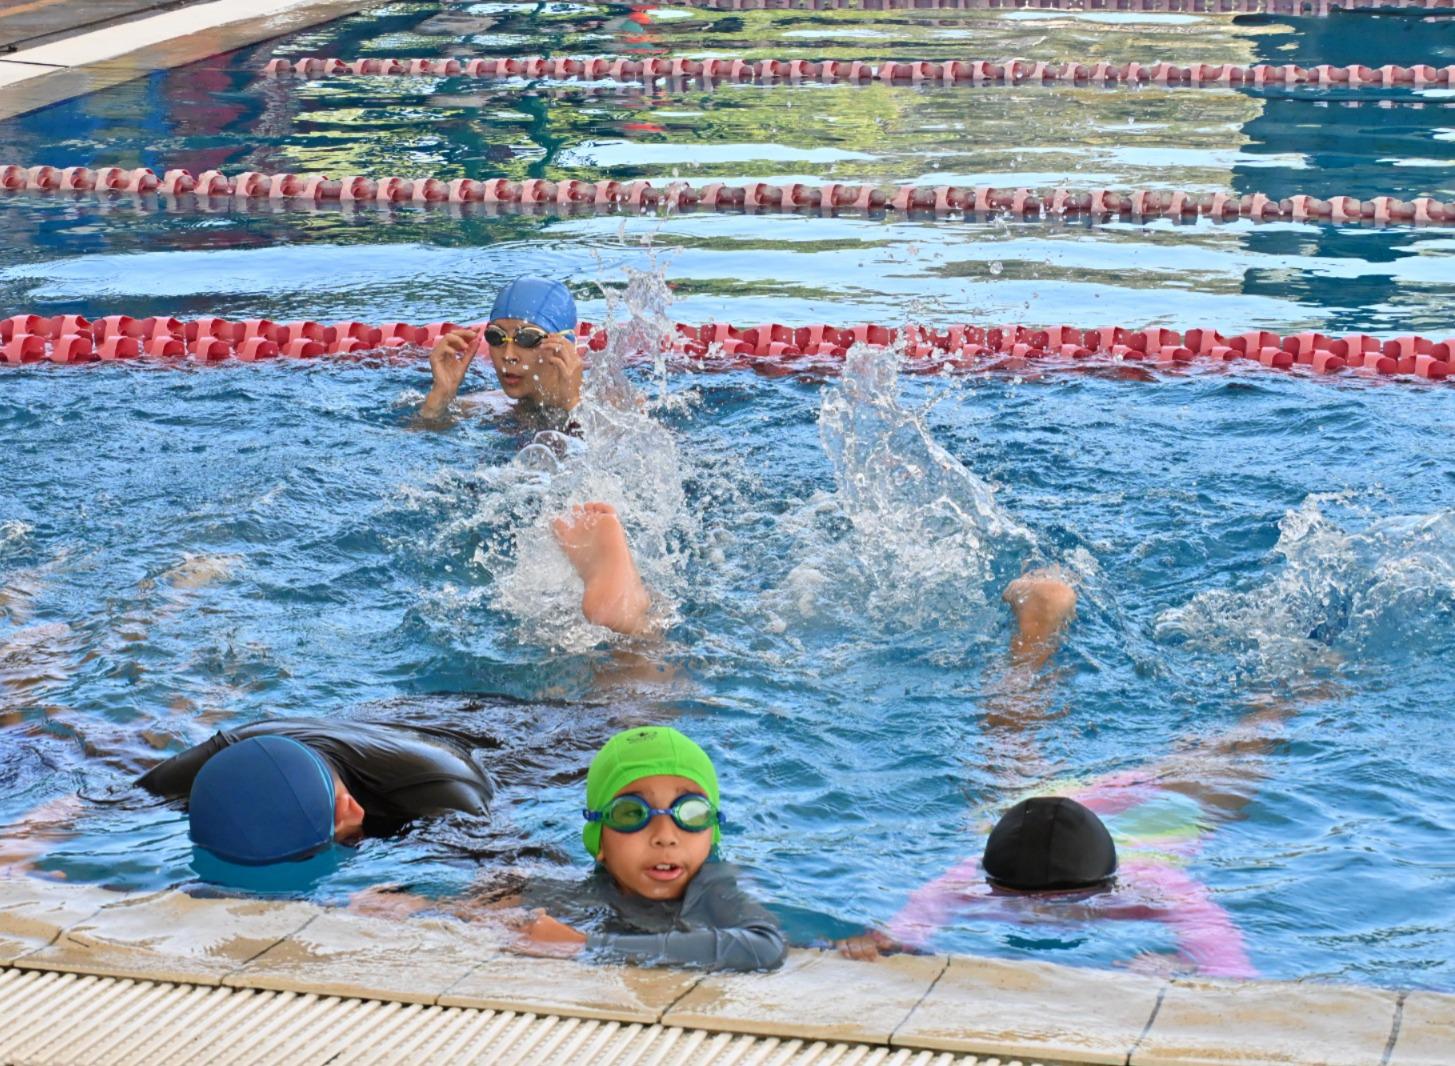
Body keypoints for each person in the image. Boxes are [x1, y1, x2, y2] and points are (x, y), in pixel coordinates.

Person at [507, 724, 787, 971]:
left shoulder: (713, 888)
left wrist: (583, 945)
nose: (665, 836)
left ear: (712, 831)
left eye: (690, 813)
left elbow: (764, 946)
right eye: (631, 813)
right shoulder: (582, 892)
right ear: (598, 839)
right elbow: (488, 906)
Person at [136, 718, 493, 867]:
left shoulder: (449, 798)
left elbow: (505, 890)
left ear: (350, 810)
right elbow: (113, 801)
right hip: (367, 729)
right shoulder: (226, 758)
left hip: (496, 736)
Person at [418, 277, 584, 424]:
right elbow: (418, 439)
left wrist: (572, 404)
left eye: (527, 338)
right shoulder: (488, 406)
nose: (508, 355)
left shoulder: (604, 408)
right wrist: (440, 395)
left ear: (563, 346)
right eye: (496, 337)